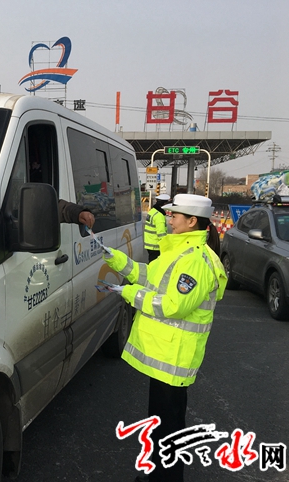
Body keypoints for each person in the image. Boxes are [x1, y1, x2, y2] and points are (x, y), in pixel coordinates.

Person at [101, 194, 226, 482]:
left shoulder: (195, 260)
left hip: (174, 358)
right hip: (166, 356)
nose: (168, 219)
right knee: (161, 424)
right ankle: (159, 475)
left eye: (174, 215)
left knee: (168, 428)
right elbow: (149, 276)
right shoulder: (179, 250)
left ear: (192, 221)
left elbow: (172, 305)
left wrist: (128, 293)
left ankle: (166, 479)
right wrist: (117, 260)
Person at [144, 193, 171, 262]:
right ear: (164, 204)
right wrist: (166, 246)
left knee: (152, 263)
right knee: (155, 265)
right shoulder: (159, 216)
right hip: (156, 246)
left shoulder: (152, 211)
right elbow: (161, 234)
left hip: (149, 243)